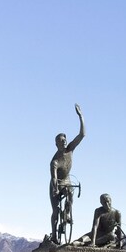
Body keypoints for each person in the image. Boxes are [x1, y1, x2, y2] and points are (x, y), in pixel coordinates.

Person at [50, 104, 85, 243]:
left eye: (65, 140)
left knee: (70, 193)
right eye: (61, 141)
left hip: (67, 180)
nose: (64, 142)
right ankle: (54, 234)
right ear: (56, 144)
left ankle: (68, 213)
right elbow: (54, 178)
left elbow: (82, 135)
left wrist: (81, 117)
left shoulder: (70, 149)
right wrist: (55, 188)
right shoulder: (54, 161)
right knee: (56, 210)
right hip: (57, 183)